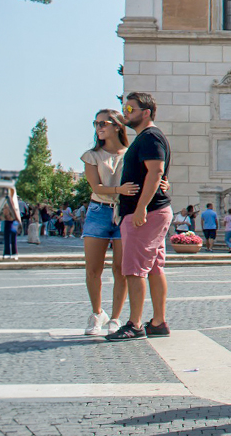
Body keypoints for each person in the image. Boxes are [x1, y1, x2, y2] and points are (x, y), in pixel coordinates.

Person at [107, 92, 173, 341]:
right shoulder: (149, 137)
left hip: (146, 213)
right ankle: (158, 322)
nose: (126, 113)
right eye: (125, 109)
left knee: (134, 270)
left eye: (130, 109)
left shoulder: (150, 137)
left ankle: (134, 324)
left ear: (146, 112)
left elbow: (155, 172)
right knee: (155, 267)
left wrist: (140, 207)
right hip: (153, 210)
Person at [81, 110, 134, 335]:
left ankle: (114, 318)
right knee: (93, 268)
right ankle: (96, 313)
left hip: (124, 213)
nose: (98, 127)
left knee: (120, 269)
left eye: (103, 123)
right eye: (95, 123)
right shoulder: (91, 156)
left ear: (117, 126)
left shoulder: (131, 154)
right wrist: (119, 190)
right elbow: (96, 187)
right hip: (98, 211)